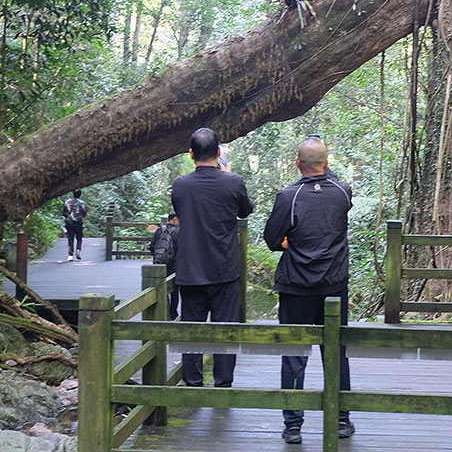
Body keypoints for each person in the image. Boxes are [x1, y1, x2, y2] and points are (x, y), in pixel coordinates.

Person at [264, 135, 354, 445]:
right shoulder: (343, 192)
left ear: (297, 164)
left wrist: (289, 242)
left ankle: (293, 426)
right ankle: (342, 420)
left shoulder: (289, 196)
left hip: (296, 285)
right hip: (334, 286)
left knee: (294, 354)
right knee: (336, 352)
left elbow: (273, 239)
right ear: (327, 163)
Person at [171, 127, 254, 388]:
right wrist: (227, 177)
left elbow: (180, 210)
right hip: (224, 268)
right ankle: (223, 382)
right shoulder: (234, 182)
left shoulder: (180, 185)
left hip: (190, 269)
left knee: (192, 330)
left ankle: (193, 382)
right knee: (225, 329)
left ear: (191, 154)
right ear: (218, 153)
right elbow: (245, 211)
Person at [149, 211, 181, 320]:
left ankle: (164, 312)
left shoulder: (159, 230)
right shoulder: (179, 232)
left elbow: (152, 247)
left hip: (159, 266)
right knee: (174, 290)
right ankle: (173, 313)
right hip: (174, 266)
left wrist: (158, 257)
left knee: (160, 288)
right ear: (175, 219)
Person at [62, 189, 87, 261]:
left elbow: (64, 213)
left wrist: (68, 216)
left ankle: (70, 255)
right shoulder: (82, 203)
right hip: (78, 222)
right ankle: (78, 249)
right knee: (79, 237)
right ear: (80, 194)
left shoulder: (67, 202)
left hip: (69, 222)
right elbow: (84, 214)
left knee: (70, 238)